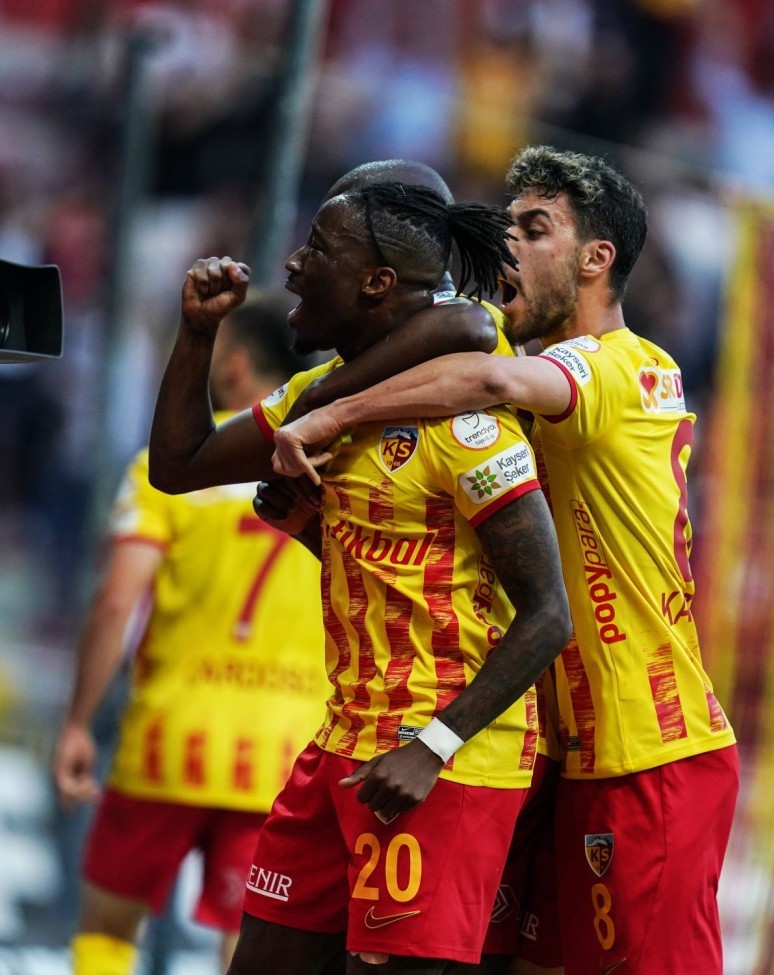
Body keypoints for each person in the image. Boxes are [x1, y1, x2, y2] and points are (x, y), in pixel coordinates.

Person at [271, 146, 740, 975]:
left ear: (596, 259)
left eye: (535, 229)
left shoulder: (621, 364)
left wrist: (328, 411)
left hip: (647, 747)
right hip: (547, 750)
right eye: (505, 225)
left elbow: (485, 375)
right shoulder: (527, 384)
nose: (507, 246)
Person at [147, 182, 571, 974]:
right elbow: (177, 465)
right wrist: (197, 334)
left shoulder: (466, 419)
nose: (293, 263)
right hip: (342, 740)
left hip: (441, 760)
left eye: (319, 249)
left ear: (377, 282)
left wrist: (434, 746)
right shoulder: (317, 398)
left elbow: (549, 613)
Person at [51, 291, 331, 975]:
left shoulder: (170, 467)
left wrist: (79, 721)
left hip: (166, 742)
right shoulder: (336, 466)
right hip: (283, 756)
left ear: (235, 366)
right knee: (249, 943)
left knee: (107, 928)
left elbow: (117, 602)